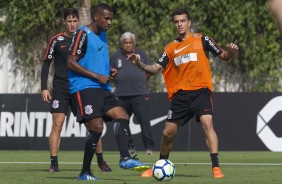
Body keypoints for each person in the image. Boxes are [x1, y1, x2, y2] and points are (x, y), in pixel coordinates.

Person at [129, 9, 239, 179]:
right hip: (181, 96)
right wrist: (138, 63)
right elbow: (154, 68)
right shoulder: (171, 48)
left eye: (182, 21)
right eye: (176, 21)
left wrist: (230, 52)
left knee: (207, 124)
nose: (179, 24)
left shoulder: (203, 39)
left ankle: (216, 168)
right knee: (167, 133)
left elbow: (223, 55)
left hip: (201, 91)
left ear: (189, 23)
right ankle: (159, 166)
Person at [67, 3, 150, 181]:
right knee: (97, 128)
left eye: (111, 18)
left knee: (122, 115)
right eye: (106, 18)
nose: (109, 22)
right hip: (83, 87)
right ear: (95, 17)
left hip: (101, 88)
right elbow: (71, 62)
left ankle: (125, 158)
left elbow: (95, 60)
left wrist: (109, 70)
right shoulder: (82, 34)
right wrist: (97, 75)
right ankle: (85, 172)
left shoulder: (103, 35)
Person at [41, 7, 111, 173]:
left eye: (74, 21)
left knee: (92, 125)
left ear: (78, 21)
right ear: (64, 22)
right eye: (69, 21)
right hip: (61, 87)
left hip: (81, 86)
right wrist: (44, 87)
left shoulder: (86, 36)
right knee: (57, 124)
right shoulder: (56, 40)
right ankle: (54, 163)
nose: (72, 24)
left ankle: (101, 160)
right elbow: (46, 63)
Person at [110, 32, 155, 156]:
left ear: (134, 43)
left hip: (140, 93)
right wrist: (112, 74)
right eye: (126, 43)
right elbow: (109, 72)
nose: (128, 45)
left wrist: (141, 79)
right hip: (121, 94)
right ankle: (129, 147)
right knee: (122, 122)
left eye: (130, 42)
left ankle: (148, 147)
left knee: (144, 121)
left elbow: (151, 69)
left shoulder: (141, 54)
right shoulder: (115, 56)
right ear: (122, 43)